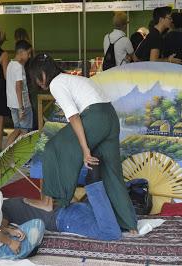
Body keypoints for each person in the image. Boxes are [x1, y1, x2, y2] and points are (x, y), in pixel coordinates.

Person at [25, 53, 138, 233]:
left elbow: (74, 117)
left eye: (36, 78)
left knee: (52, 148)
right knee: (112, 172)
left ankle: (50, 202)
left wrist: (85, 150)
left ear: (43, 74)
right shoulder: (72, 79)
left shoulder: (56, 84)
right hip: (110, 117)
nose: (38, 83)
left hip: (95, 117)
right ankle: (130, 224)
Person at [2, 178, 122, 241]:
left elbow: (47, 207)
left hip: (63, 218)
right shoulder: (8, 205)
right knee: (113, 221)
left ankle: (94, 183)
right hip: (72, 208)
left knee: (110, 232)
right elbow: (2, 228)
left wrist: (28, 200)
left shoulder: (5, 207)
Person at [5, 40, 33, 147]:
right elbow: (18, 87)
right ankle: (23, 158)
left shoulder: (10, 65)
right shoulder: (18, 67)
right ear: (21, 52)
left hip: (12, 104)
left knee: (17, 130)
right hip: (22, 105)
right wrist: (21, 108)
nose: (29, 56)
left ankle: (5, 154)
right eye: (28, 53)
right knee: (25, 133)